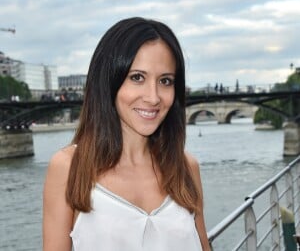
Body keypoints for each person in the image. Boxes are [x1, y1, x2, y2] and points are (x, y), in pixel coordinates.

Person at [43, 17, 210, 251]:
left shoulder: (186, 167)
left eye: (165, 80)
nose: (153, 97)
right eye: (137, 77)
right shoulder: (69, 168)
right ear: (108, 81)